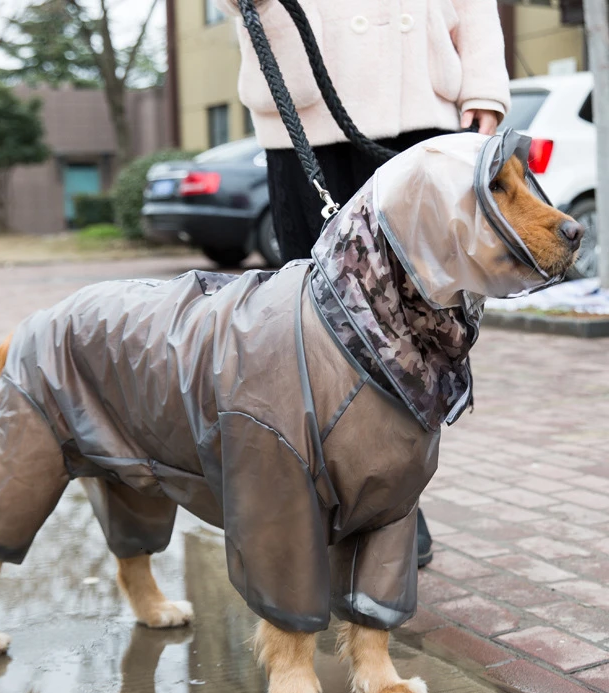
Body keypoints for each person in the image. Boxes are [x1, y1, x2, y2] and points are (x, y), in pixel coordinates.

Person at [217, 0, 511, 567]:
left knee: (424, 316)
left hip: (419, 100)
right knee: (314, 320)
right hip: (304, 102)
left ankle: (394, 498)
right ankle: (316, 488)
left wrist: (483, 88)